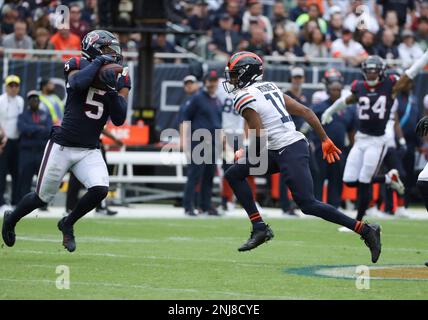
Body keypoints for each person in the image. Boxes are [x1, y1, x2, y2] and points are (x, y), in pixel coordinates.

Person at [223, 51, 381, 264]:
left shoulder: (243, 97)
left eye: (234, 74)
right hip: (279, 149)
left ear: (245, 73)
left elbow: (259, 136)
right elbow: (306, 111)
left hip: (289, 148)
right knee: (234, 174)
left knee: (308, 204)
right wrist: (324, 138)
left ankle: (365, 229)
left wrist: (245, 152)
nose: (231, 79)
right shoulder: (270, 87)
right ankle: (259, 227)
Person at [2, 30, 131, 253]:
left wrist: (111, 90)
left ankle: (68, 222)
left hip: (89, 148)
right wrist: (99, 63)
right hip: (62, 145)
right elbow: (79, 84)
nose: (113, 54)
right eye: (108, 49)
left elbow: (119, 119)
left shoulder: (120, 75)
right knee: (42, 198)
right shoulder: (76, 63)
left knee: (100, 189)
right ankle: (11, 219)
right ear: (94, 48)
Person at [321, 55, 407, 224]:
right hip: (361, 139)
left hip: (378, 140)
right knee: (350, 181)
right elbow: (345, 101)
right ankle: (388, 178)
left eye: (374, 71)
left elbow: (409, 75)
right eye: (368, 71)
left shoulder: (390, 85)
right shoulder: (359, 87)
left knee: (364, 180)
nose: (371, 74)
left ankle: (358, 222)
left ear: (381, 72)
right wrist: (329, 111)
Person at [182, 70, 222, 216]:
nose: (212, 83)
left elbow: (218, 123)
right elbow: (186, 119)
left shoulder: (217, 100)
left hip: (214, 141)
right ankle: (188, 206)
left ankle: (205, 205)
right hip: (199, 140)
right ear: (205, 82)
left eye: (214, 81)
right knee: (195, 175)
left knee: (209, 175)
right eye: (210, 81)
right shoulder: (197, 98)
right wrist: (185, 143)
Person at [17, 91, 52, 199]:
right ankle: (23, 203)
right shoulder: (22, 115)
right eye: (32, 99)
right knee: (25, 178)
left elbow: (48, 130)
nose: (34, 101)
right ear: (28, 101)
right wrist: (38, 128)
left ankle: (43, 204)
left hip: (41, 151)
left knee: (43, 180)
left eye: (36, 99)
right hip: (27, 151)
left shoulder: (45, 114)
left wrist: (32, 129)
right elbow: (23, 129)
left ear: (39, 101)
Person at [0, 75, 24, 210]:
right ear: (6, 86)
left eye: (16, 85)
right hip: (4, 141)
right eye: (11, 85)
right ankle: (1, 203)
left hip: (16, 141)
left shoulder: (20, 100)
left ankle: (15, 201)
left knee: (16, 173)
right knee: (1, 173)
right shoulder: (1, 100)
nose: (13, 88)